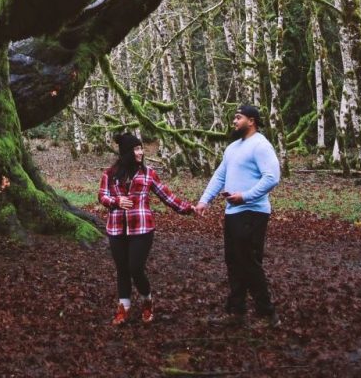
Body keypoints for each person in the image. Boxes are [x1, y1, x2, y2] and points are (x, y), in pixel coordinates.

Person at [98, 131, 197, 325]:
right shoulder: (109, 174)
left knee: (135, 268)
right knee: (122, 269)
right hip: (116, 229)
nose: (141, 152)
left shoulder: (148, 173)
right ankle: (123, 308)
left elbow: (166, 195)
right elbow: (102, 196)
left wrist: (187, 208)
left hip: (142, 229)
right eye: (136, 149)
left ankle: (147, 300)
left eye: (141, 148)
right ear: (127, 152)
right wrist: (116, 201)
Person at [195, 104, 281, 326]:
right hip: (233, 212)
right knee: (233, 261)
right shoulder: (232, 148)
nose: (234, 121)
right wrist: (205, 200)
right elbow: (219, 175)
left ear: (251, 121)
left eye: (238, 117)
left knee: (249, 261)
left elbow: (272, 177)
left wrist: (245, 196)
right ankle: (237, 311)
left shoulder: (260, 145)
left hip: (253, 212)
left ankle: (267, 314)